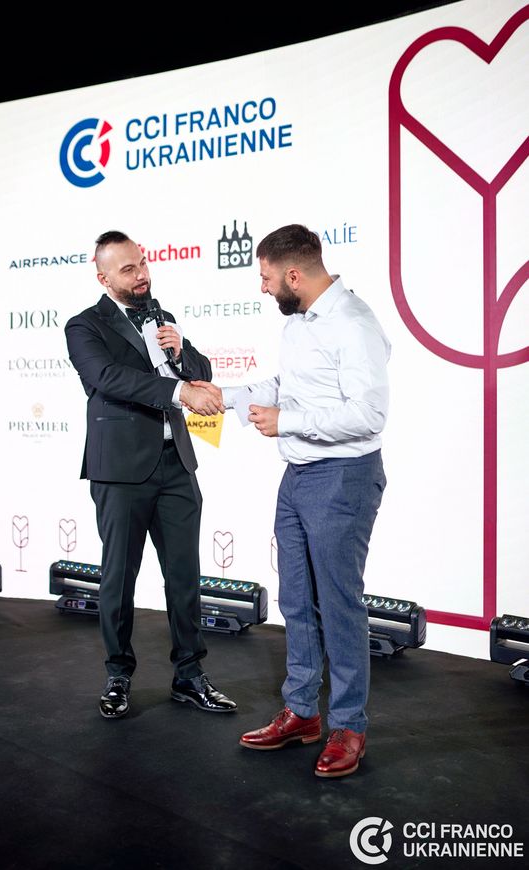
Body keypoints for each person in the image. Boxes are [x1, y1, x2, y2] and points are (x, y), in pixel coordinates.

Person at [193, 224, 390, 776]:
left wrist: (289, 422)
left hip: (344, 478)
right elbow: (288, 388)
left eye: (266, 277)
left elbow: (369, 414)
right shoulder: (300, 322)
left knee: (340, 604)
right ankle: (302, 712)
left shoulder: (354, 323)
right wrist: (226, 396)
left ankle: (348, 726)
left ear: (294, 275)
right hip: (298, 477)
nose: (263, 287)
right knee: (297, 601)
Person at [65, 230, 236, 719]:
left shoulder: (163, 317)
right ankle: (118, 675)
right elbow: (107, 378)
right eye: (128, 269)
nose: (141, 275)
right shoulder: (84, 326)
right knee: (119, 578)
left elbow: (201, 372)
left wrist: (181, 353)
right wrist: (178, 391)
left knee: (184, 576)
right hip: (121, 470)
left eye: (142, 264)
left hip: (175, 464)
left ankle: (190, 675)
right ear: (103, 278)